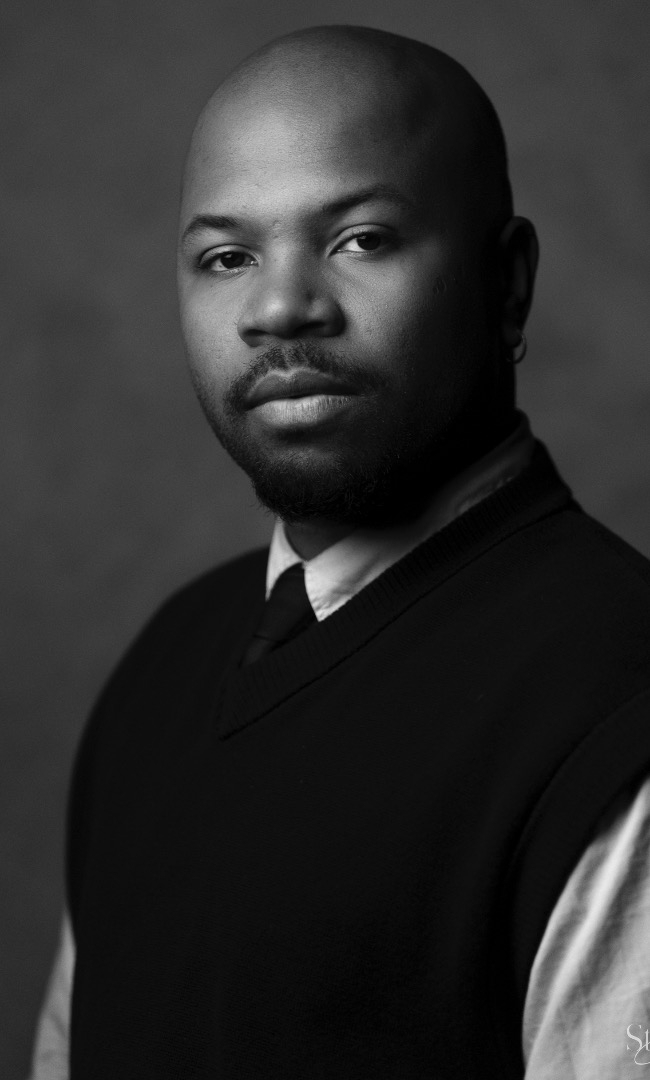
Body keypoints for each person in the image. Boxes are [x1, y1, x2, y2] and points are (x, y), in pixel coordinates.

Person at [29, 24, 650, 1080]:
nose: (280, 308)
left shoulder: (612, 705)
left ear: (507, 284)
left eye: (360, 239)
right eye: (227, 258)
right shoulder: (164, 665)